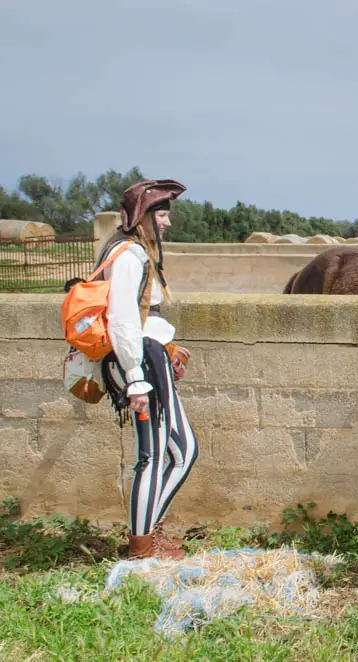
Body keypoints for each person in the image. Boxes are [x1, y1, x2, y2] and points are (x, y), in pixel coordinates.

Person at [99, 179, 198, 560]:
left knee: (183, 451)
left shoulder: (140, 254)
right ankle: (142, 545)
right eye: (161, 214)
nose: (167, 223)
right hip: (138, 360)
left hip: (149, 354)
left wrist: (166, 345)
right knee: (152, 456)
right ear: (143, 217)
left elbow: (144, 318)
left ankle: (148, 533)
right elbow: (122, 320)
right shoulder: (128, 256)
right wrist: (137, 379)